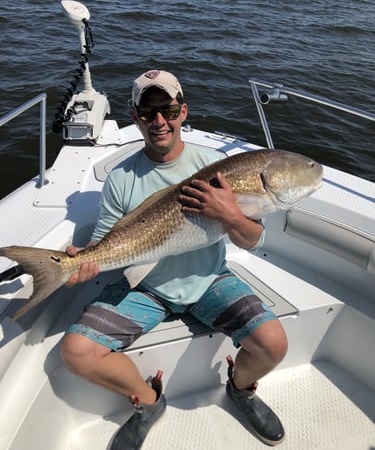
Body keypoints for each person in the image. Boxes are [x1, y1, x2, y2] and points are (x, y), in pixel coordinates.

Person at [60, 69, 288, 449]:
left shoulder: (217, 168)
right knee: (76, 352)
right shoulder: (121, 178)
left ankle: (241, 389)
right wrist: (82, 260)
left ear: (183, 111)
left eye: (167, 109)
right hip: (146, 287)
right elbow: (104, 242)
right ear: (135, 117)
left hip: (208, 279)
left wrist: (229, 215)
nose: (160, 121)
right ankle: (149, 402)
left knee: (274, 343)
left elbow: (254, 239)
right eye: (149, 113)